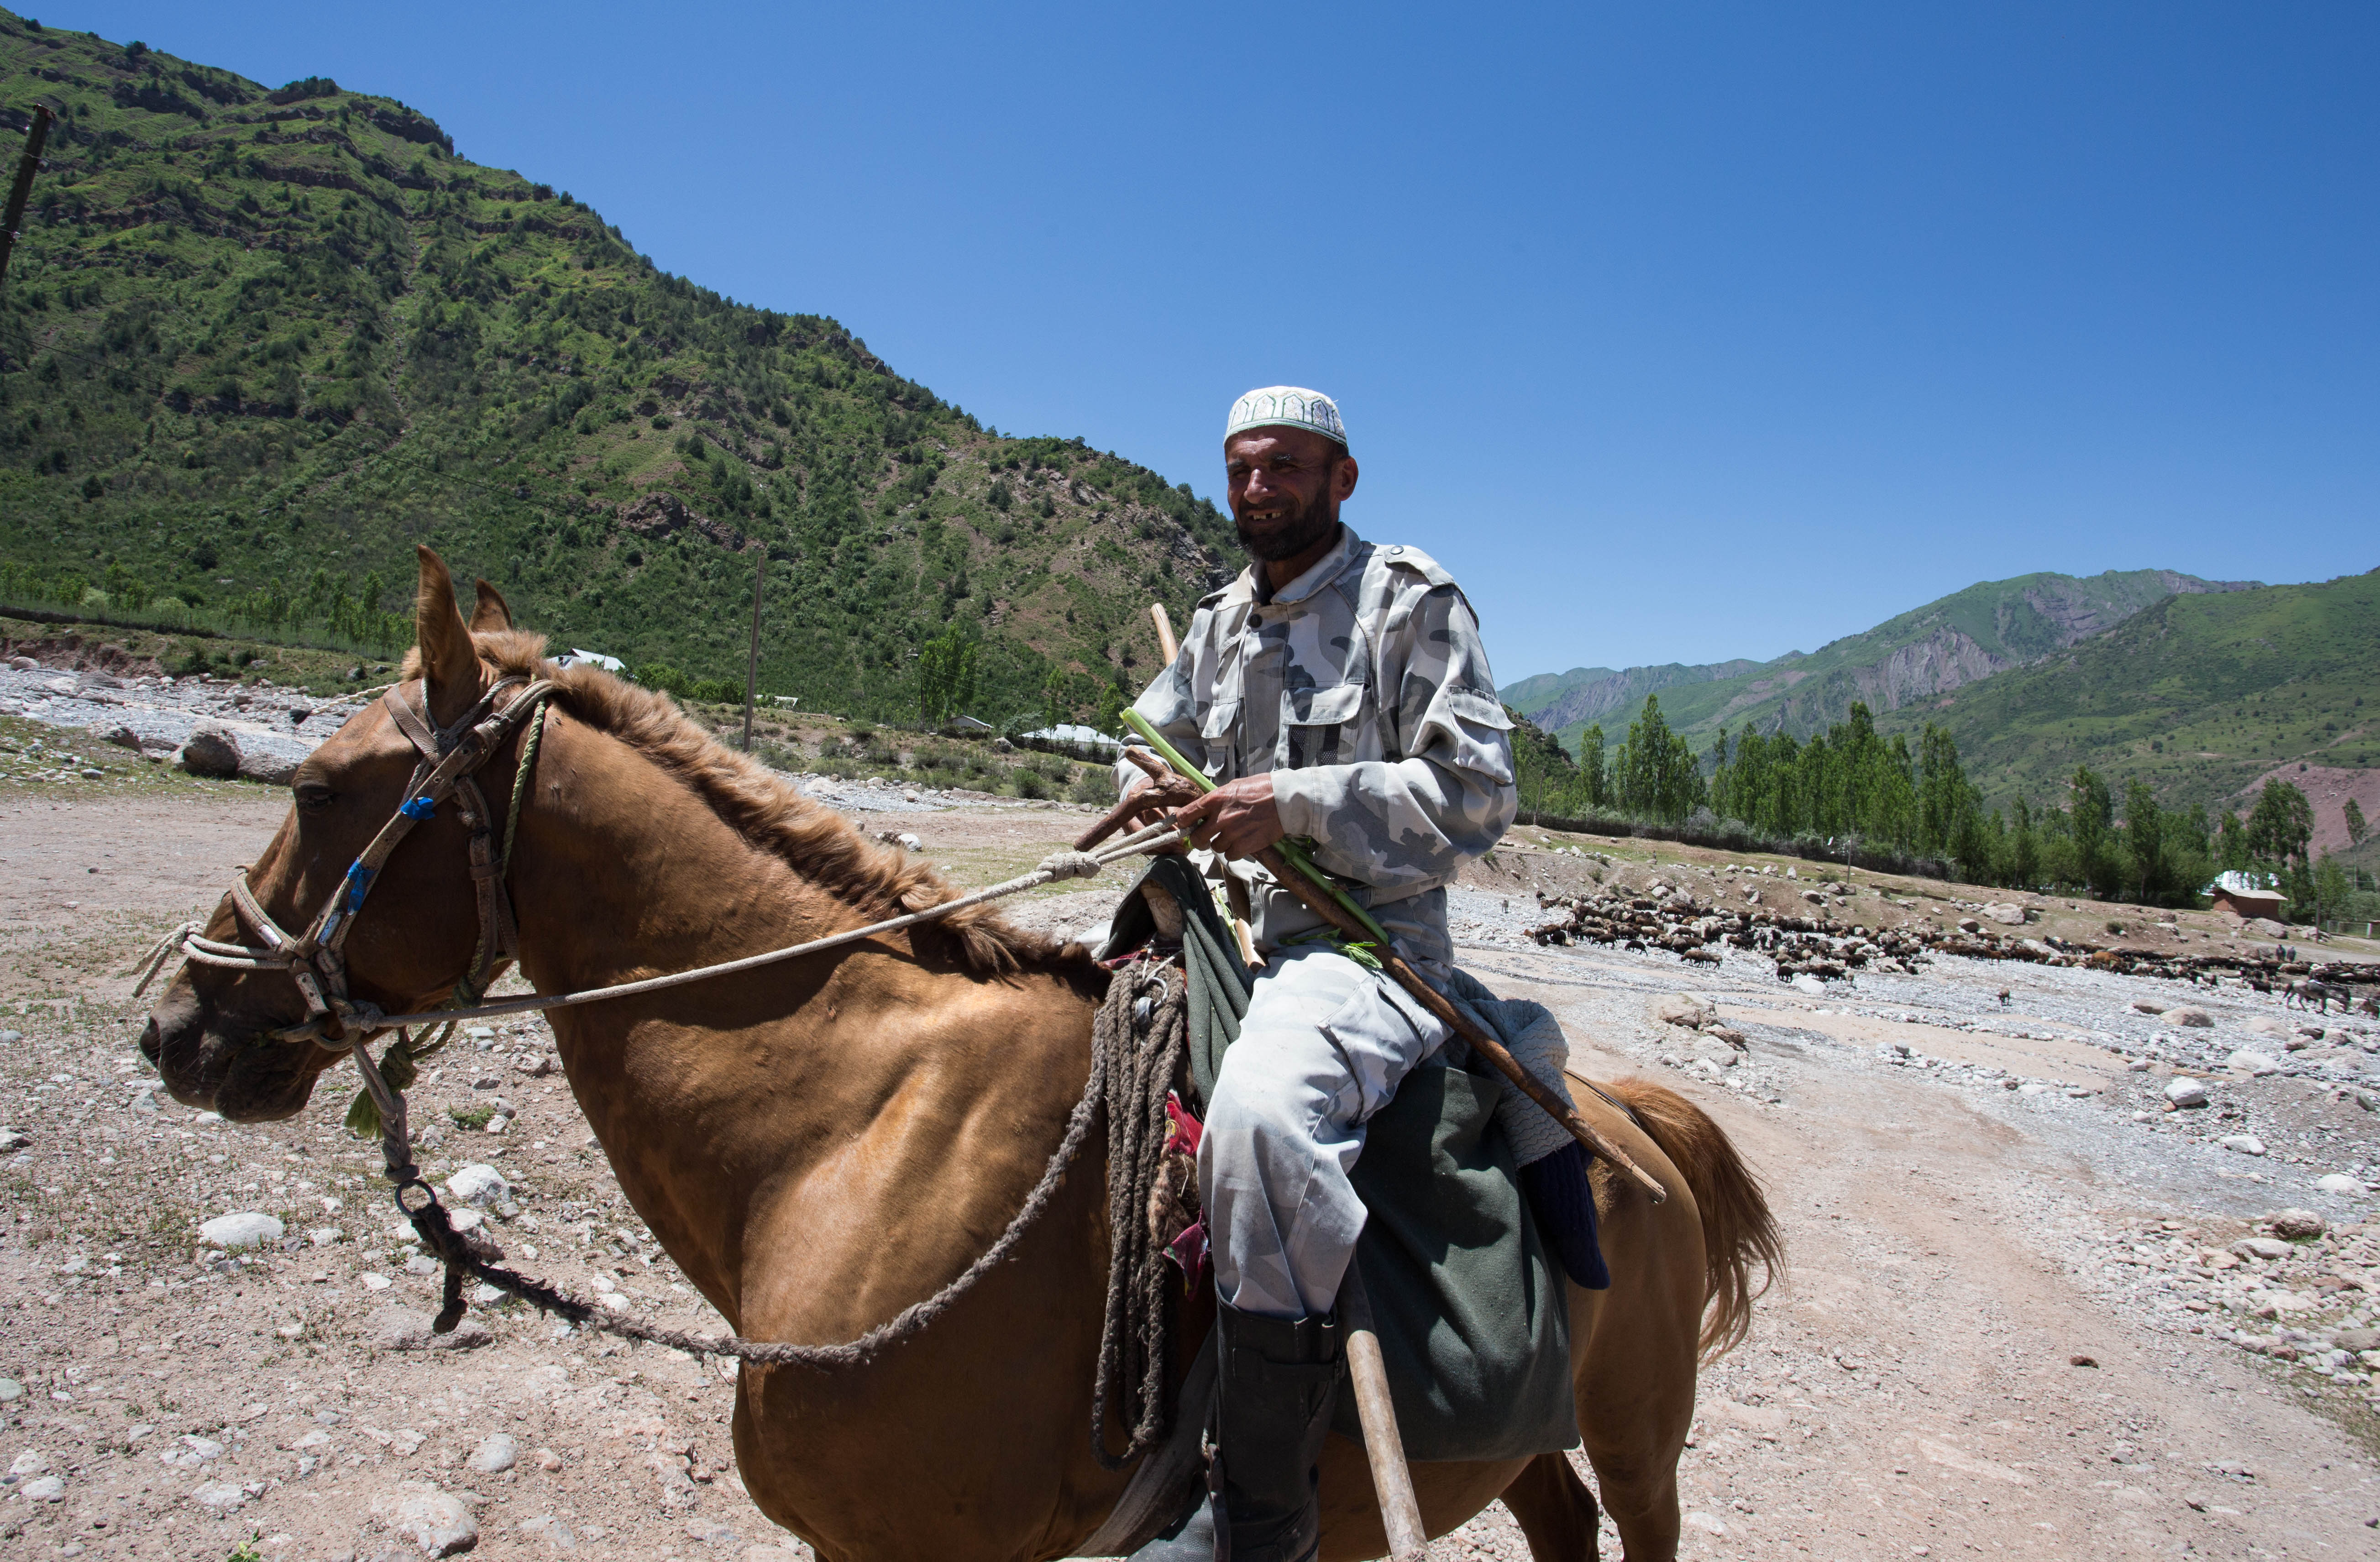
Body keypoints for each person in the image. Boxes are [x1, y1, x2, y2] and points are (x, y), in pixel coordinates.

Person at [1117, 387, 1518, 1562]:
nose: (1258, 488)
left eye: (1286, 467)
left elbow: (1479, 796)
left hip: (1363, 945)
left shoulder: (1411, 602)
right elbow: (1155, 737)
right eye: (1242, 467)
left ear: (1342, 479)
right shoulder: (1217, 622)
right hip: (1215, 930)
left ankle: (1259, 1514)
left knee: (1262, 1119)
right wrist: (1144, 790)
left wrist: (1290, 803)